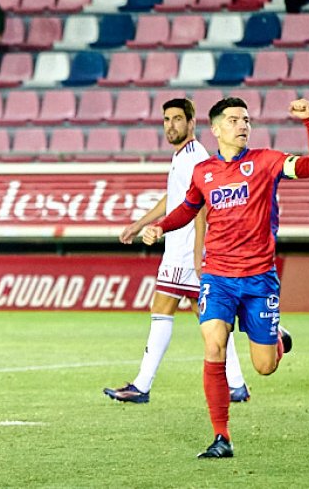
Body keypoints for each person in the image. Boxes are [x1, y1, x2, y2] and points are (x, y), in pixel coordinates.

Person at [141, 97, 309, 458]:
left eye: (246, 120)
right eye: (233, 120)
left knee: (265, 367)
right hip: (218, 276)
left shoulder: (266, 161)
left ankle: (275, 337)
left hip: (259, 278)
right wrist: (160, 227)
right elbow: (187, 209)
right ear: (216, 129)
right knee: (213, 346)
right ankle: (221, 437)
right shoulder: (204, 172)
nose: (243, 125)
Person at [107, 98, 250, 405]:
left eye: (176, 119)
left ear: (191, 123)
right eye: (166, 120)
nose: (170, 125)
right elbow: (174, 199)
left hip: (185, 252)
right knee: (210, 316)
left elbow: (200, 209)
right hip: (181, 249)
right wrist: (137, 224)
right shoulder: (183, 156)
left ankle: (142, 385)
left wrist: (198, 254)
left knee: (165, 310)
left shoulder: (194, 156)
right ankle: (237, 384)